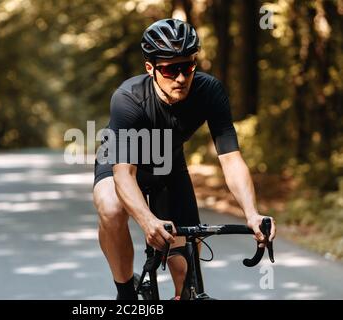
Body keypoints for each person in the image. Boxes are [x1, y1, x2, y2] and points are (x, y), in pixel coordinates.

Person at [92, 18, 276, 300]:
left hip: (168, 161)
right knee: (112, 208)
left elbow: (231, 159)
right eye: (169, 69)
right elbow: (123, 175)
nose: (180, 77)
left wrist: (251, 213)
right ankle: (126, 292)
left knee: (184, 267)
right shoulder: (129, 99)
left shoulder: (209, 91)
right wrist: (147, 221)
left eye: (187, 66)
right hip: (122, 161)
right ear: (150, 69)